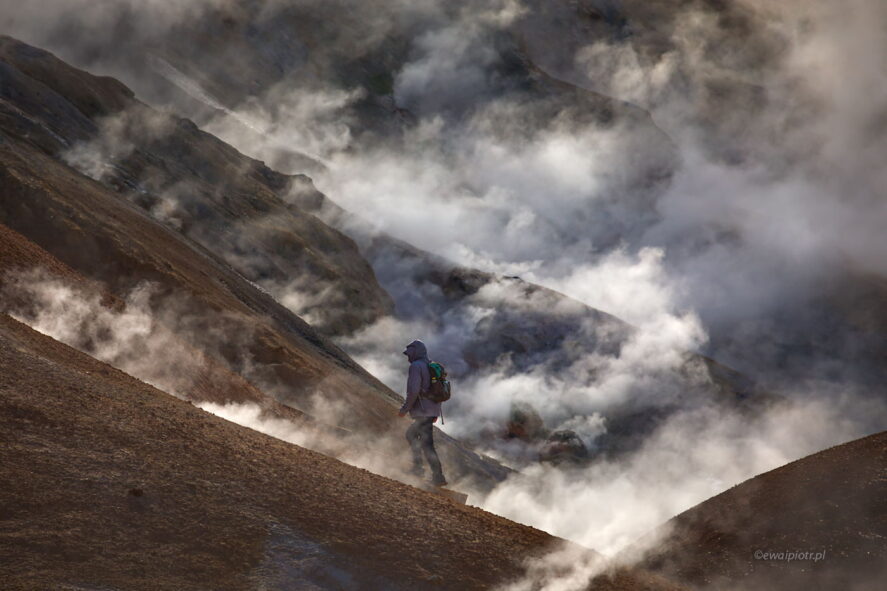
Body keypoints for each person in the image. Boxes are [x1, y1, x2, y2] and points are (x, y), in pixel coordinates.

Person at [398, 339, 447, 486]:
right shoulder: (431, 365)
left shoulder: (416, 366)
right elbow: (436, 392)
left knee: (421, 440)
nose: (408, 357)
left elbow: (413, 391)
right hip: (430, 411)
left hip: (422, 411)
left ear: (415, 352)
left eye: (409, 353)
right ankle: (428, 472)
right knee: (422, 440)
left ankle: (430, 473)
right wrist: (435, 413)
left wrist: (404, 409)